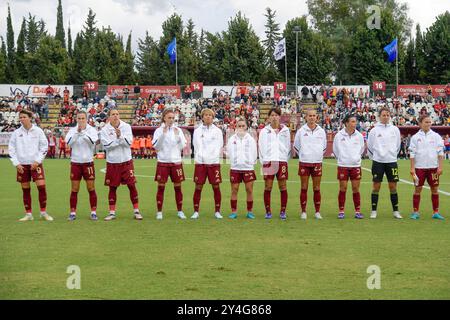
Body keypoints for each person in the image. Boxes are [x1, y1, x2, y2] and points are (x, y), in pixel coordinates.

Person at [8, 110, 53, 222]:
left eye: (24, 117)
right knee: (25, 190)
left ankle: (43, 212)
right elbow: (11, 149)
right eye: (20, 117)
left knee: (41, 187)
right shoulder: (16, 133)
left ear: (30, 118)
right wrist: (16, 163)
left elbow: (44, 146)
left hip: (36, 164)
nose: (22, 119)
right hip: (22, 166)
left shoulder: (38, 131)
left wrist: (37, 161)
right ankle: (28, 214)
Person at [100, 109, 142, 221]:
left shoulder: (126, 127)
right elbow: (107, 146)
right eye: (113, 114)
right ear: (109, 117)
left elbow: (129, 143)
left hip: (126, 161)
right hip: (113, 162)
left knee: (132, 185)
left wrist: (120, 137)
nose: (115, 116)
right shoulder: (104, 130)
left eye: (117, 114)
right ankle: (112, 212)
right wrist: (119, 140)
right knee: (112, 187)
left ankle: (136, 211)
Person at [367, 107, 402, 219]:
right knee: (376, 186)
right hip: (378, 162)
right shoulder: (374, 130)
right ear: (379, 116)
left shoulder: (395, 129)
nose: (386, 117)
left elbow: (398, 146)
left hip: (391, 161)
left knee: (393, 186)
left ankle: (396, 211)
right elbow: (370, 147)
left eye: (388, 115)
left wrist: (391, 155)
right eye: (383, 115)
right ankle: (373, 211)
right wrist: (377, 157)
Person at [152, 109, 187, 220]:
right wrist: (164, 134)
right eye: (169, 118)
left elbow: (182, 147)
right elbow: (157, 147)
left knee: (178, 187)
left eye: (173, 118)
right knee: (161, 187)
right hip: (163, 162)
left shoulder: (178, 130)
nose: (171, 120)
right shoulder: (158, 130)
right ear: (164, 118)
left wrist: (177, 137)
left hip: (176, 162)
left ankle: (180, 211)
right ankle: (159, 212)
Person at [65, 111, 99, 221]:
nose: (81, 120)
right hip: (75, 162)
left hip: (88, 162)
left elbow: (92, 143)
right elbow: (69, 143)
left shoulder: (92, 130)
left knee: (91, 188)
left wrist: (83, 133)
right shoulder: (72, 130)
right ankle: (72, 212)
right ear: (76, 119)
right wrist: (77, 133)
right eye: (79, 118)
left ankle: (93, 212)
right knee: (74, 189)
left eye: (83, 118)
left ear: (86, 119)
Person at [409, 115, 445, 220]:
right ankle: (415, 212)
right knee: (417, 189)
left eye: (429, 122)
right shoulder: (415, 137)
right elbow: (412, 154)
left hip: (433, 168)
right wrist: (412, 168)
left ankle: (436, 212)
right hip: (419, 167)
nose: (428, 124)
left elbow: (440, 152)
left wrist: (440, 167)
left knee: (434, 189)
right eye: (426, 122)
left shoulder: (436, 136)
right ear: (420, 123)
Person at [293, 109, 327, 220]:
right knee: (304, 187)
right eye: (310, 116)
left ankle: (317, 212)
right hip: (304, 163)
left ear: (316, 117)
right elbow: (296, 147)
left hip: (317, 163)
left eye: (314, 115)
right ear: (306, 117)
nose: (312, 117)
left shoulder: (321, 131)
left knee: (317, 188)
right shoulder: (301, 131)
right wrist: (305, 155)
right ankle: (303, 211)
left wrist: (316, 156)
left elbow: (324, 147)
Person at [191, 108, 224, 220]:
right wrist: (200, 157)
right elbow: (196, 145)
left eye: (210, 115)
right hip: (201, 163)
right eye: (206, 115)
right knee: (198, 186)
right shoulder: (197, 131)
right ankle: (196, 211)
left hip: (213, 163)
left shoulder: (218, 131)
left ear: (213, 117)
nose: (208, 116)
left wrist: (213, 157)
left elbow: (220, 145)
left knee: (216, 186)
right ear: (202, 117)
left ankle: (217, 211)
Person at [258, 108, 291, 220]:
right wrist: (263, 162)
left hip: (281, 161)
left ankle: (283, 211)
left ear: (279, 117)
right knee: (268, 187)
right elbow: (261, 147)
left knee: (283, 186)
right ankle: (268, 212)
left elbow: (288, 147)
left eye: (276, 115)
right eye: (272, 115)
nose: (274, 117)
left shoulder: (285, 130)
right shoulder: (264, 131)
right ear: (268, 117)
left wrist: (285, 160)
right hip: (269, 161)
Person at [332, 114, 365, 219]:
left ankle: (357, 211)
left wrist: (355, 158)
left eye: (355, 122)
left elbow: (361, 149)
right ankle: (341, 211)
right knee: (343, 188)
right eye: (352, 121)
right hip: (343, 165)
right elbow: (335, 150)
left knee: (355, 188)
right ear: (346, 123)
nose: (354, 124)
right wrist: (342, 158)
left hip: (355, 165)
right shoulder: (339, 135)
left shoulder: (359, 136)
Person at [226, 117, 257, 219]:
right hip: (235, 168)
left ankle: (250, 211)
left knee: (249, 190)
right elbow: (229, 152)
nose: (241, 127)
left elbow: (254, 152)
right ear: (236, 127)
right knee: (234, 190)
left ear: (246, 127)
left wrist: (250, 163)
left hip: (248, 168)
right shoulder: (232, 139)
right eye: (239, 126)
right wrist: (234, 162)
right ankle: (234, 212)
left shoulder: (250, 139)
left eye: (243, 126)